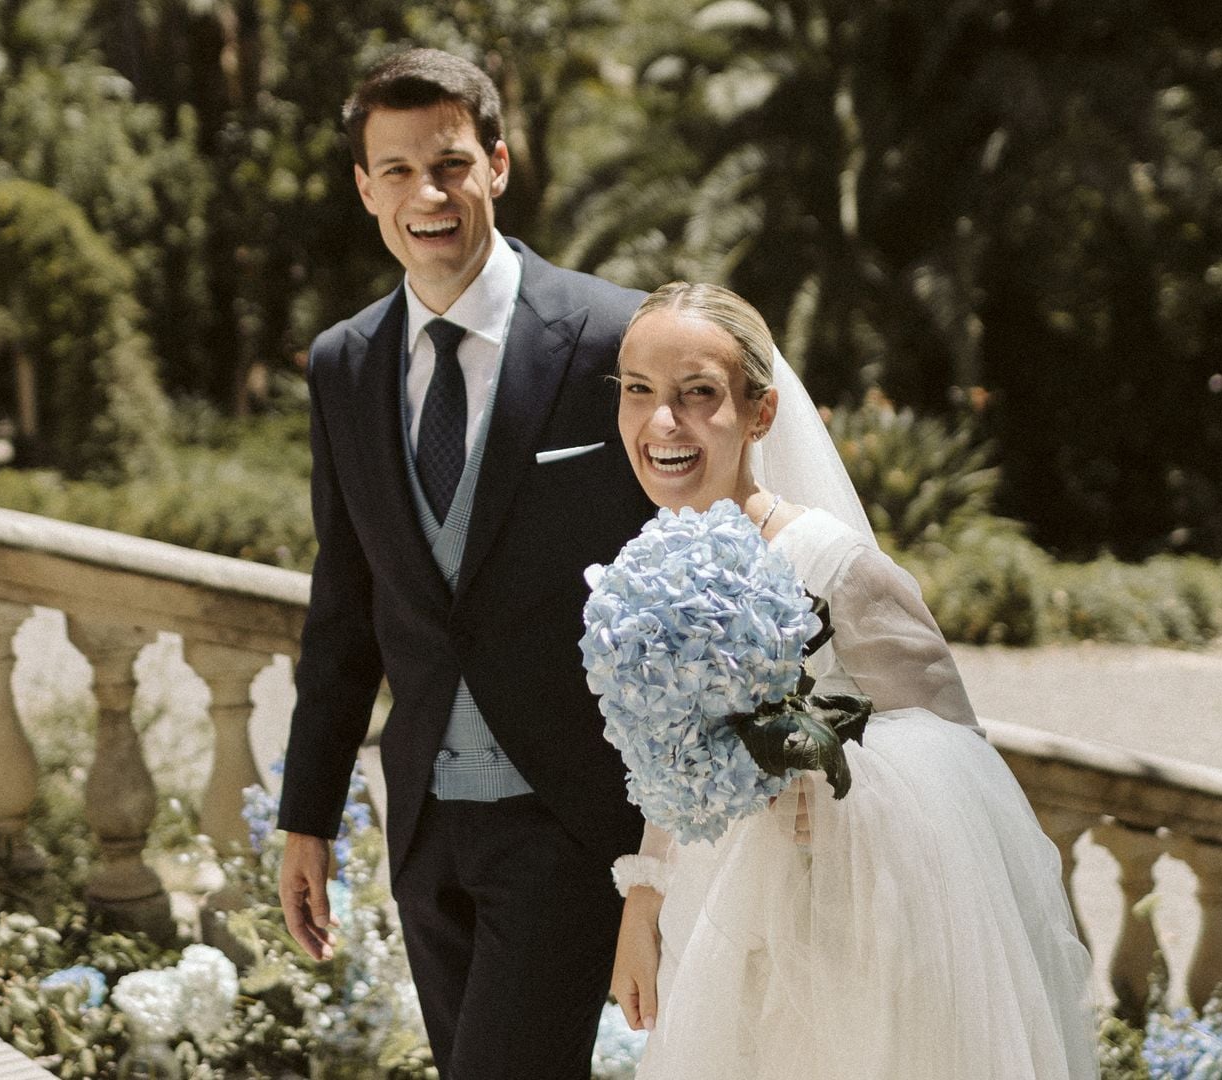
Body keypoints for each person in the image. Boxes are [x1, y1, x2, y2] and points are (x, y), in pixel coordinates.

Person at [273, 48, 652, 1079]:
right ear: (363, 189)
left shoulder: (612, 336)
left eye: (447, 164)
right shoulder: (344, 365)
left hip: (570, 819)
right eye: (394, 171)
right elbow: (344, 612)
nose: (425, 195)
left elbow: (691, 558)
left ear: (497, 164)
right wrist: (306, 815)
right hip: (427, 825)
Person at [607, 282, 1098, 1078]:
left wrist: (824, 782)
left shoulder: (833, 565)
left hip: (845, 945)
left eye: (698, 394)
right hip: (715, 929)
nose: (663, 422)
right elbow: (672, 755)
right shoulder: (651, 563)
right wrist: (644, 900)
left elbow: (960, 757)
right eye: (639, 391)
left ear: (760, 414)